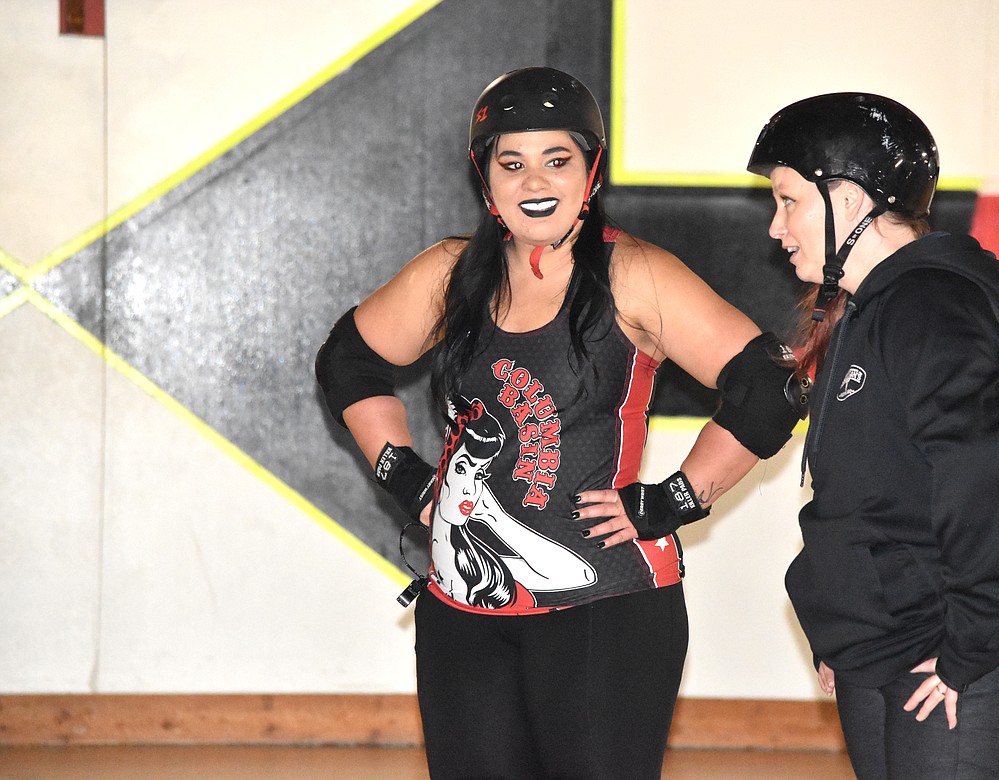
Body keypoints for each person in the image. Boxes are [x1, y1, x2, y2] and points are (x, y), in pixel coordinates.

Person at [315, 67, 805, 780]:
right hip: (463, 607)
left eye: (557, 159)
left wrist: (672, 498)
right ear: (485, 175)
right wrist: (408, 478)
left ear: (590, 170)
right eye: (511, 162)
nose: (534, 181)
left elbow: (769, 389)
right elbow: (348, 362)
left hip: (604, 610)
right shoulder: (448, 276)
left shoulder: (633, 274)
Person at [745, 92, 999, 779]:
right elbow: (862, 492)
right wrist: (843, 622)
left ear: (852, 202)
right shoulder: (866, 311)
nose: (777, 227)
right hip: (881, 642)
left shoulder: (933, 305)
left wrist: (971, 642)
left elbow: (982, 481)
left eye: (788, 200)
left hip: (959, 644)